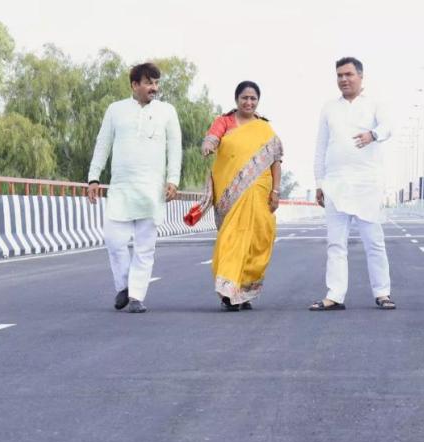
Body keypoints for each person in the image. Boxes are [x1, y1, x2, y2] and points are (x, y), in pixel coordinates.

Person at [87, 62, 182, 313]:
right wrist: (93, 178)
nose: (154, 88)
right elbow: (103, 144)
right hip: (121, 188)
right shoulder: (116, 110)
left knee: (145, 247)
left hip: (152, 190)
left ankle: (136, 296)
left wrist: (173, 180)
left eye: (156, 83)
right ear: (134, 85)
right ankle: (124, 285)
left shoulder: (167, 111)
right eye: (149, 82)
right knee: (114, 240)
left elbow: (175, 148)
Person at [309, 57, 394, 311]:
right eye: (339, 75)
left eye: (348, 74)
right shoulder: (329, 108)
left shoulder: (374, 104)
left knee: (374, 242)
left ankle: (382, 293)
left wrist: (373, 135)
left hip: (367, 184)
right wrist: (319, 183)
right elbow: (321, 147)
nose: (344, 79)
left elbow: (388, 128)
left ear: (360, 76)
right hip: (335, 184)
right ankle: (335, 295)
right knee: (336, 243)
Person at [200, 81, 283, 311]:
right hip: (231, 196)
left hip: (260, 194)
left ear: (258, 101)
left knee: (258, 240)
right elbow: (212, 137)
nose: (248, 102)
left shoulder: (264, 128)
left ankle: (244, 292)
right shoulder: (224, 121)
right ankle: (228, 293)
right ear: (236, 99)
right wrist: (208, 145)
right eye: (244, 98)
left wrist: (276, 191)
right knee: (231, 240)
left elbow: (276, 161)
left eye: (253, 98)